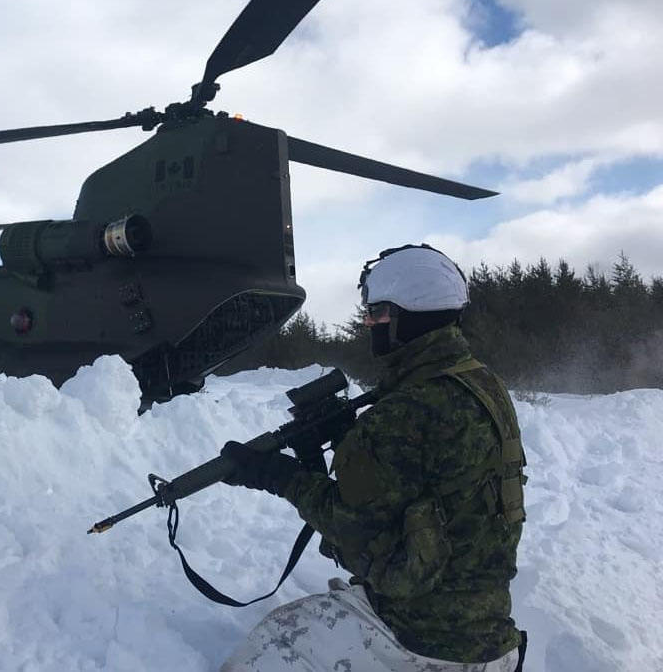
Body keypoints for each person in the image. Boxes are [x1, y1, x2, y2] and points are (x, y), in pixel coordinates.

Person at [219, 244, 527, 672]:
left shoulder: (406, 410)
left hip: (426, 639)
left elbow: (350, 529)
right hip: (488, 629)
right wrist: (350, 443)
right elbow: (428, 477)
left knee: (273, 643)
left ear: (411, 318)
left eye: (377, 314)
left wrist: (278, 475)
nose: (368, 324)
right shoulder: (480, 383)